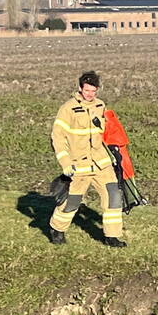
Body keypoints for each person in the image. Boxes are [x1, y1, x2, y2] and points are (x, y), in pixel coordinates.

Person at [48, 71, 126, 247]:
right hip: (79, 166)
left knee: (113, 197)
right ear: (80, 88)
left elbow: (107, 132)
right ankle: (57, 229)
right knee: (72, 202)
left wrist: (114, 154)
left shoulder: (100, 105)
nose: (90, 94)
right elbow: (58, 137)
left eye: (94, 91)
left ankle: (112, 237)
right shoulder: (67, 108)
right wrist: (65, 163)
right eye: (87, 90)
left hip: (102, 164)